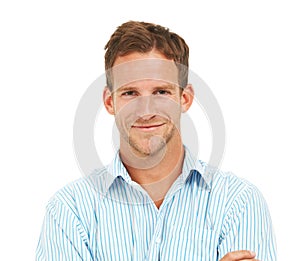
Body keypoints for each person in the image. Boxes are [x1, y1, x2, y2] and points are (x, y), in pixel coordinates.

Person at [36, 21, 277, 260]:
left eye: (161, 92)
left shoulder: (238, 203)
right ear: (110, 102)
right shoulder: (69, 210)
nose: (146, 111)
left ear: (185, 98)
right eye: (130, 93)